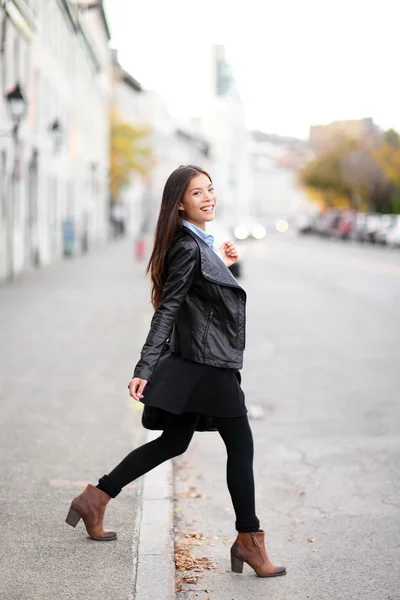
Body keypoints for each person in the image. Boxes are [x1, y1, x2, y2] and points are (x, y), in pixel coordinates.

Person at [66, 165, 286, 578]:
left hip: (200, 361)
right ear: (180, 203)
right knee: (241, 447)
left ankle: (95, 497)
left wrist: (224, 265)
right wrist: (144, 366)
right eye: (197, 193)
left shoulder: (198, 242)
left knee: (173, 442)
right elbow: (168, 309)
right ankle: (249, 541)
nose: (208, 198)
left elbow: (204, 299)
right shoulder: (188, 245)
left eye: (210, 189)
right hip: (208, 366)